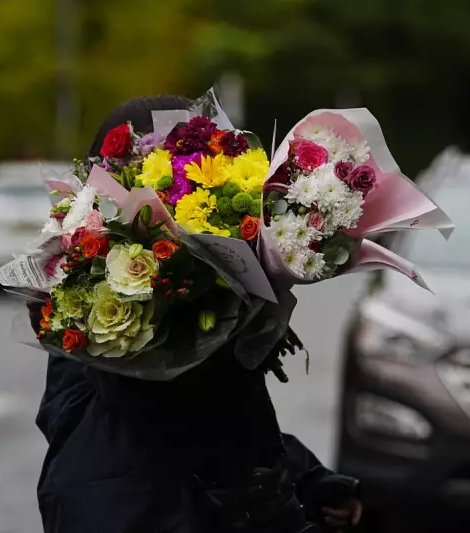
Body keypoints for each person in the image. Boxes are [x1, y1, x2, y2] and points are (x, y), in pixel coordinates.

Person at [34, 95, 362, 533]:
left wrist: (309, 479)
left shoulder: (85, 309)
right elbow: (206, 421)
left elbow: (233, 420)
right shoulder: (108, 321)